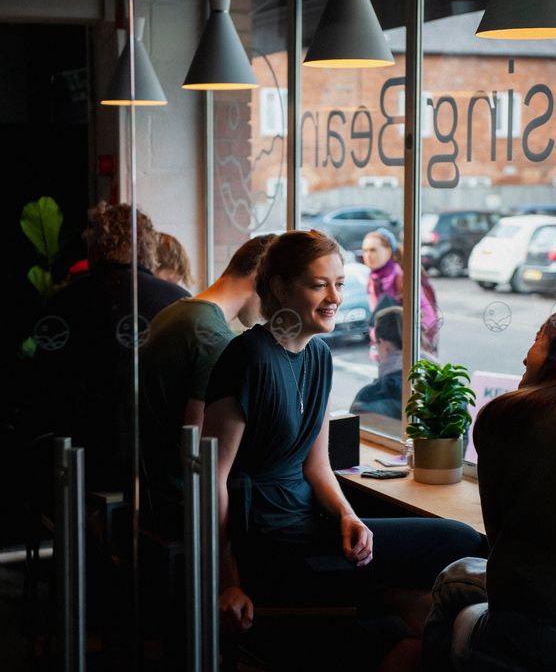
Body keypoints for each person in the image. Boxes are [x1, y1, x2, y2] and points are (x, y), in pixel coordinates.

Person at [203, 229, 484, 670]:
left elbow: (317, 465)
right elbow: (213, 478)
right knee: (456, 548)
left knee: (450, 562)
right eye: (319, 284)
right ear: (279, 288)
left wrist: (348, 516)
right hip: (272, 546)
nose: (334, 296)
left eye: (339, 283)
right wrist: (227, 582)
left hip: (309, 529)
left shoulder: (319, 356)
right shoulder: (247, 358)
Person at [422, 307, 556, 672]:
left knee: (452, 580)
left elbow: (501, 537)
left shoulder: (513, 417)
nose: (524, 355)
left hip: (541, 630)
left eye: (537, 341)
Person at [32, 201, 189, 492]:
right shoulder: (178, 301)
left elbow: (43, 389)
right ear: (148, 246)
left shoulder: (63, 303)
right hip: (160, 461)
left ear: (95, 246)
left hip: (81, 460)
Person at [138, 233, 276, 536]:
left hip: (152, 495)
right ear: (259, 278)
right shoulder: (214, 338)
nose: (270, 310)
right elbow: (202, 454)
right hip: (182, 505)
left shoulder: (176, 311)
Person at [362, 228, 440, 357]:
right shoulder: (373, 279)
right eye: (365, 250)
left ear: (388, 251)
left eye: (373, 250)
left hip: (407, 351)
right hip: (386, 349)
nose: (368, 255)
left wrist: (412, 344)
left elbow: (427, 315)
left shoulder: (400, 277)